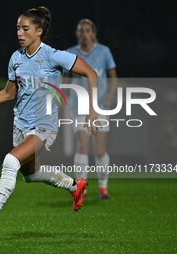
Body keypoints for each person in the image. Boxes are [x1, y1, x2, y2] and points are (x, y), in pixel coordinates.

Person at [0, 7, 100, 237]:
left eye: (25, 28)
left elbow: (91, 73)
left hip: (43, 127)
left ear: (39, 31)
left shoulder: (53, 55)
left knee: (10, 161)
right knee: (31, 175)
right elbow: (8, 93)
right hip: (20, 125)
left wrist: (92, 111)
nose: (20, 33)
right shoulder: (16, 58)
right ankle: (74, 186)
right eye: (18, 28)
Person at [64, 19, 117, 199]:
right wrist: (64, 96)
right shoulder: (70, 54)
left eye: (87, 31)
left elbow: (113, 77)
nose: (84, 34)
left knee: (99, 150)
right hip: (79, 108)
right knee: (82, 146)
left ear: (93, 34)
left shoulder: (104, 52)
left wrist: (109, 96)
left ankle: (103, 186)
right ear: (77, 34)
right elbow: (64, 78)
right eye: (81, 31)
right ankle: (81, 188)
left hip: (99, 107)